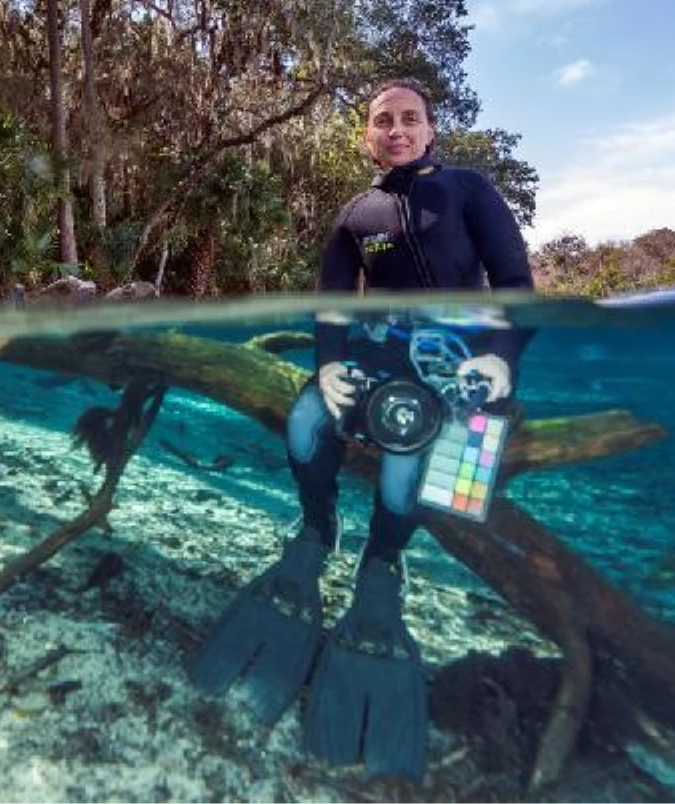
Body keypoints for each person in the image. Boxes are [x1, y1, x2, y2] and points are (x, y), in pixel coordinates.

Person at [187, 78, 535, 782]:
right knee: (306, 420)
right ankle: (318, 532)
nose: (397, 130)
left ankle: (382, 567)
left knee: (407, 465)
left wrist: (500, 362)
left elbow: (518, 286)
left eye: (410, 119)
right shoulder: (357, 213)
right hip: (377, 354)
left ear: (431, 131)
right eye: (384, 121)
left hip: (454, 363)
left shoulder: (470, 189)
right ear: (368, 136)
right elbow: (330, 306)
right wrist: (327, 367)